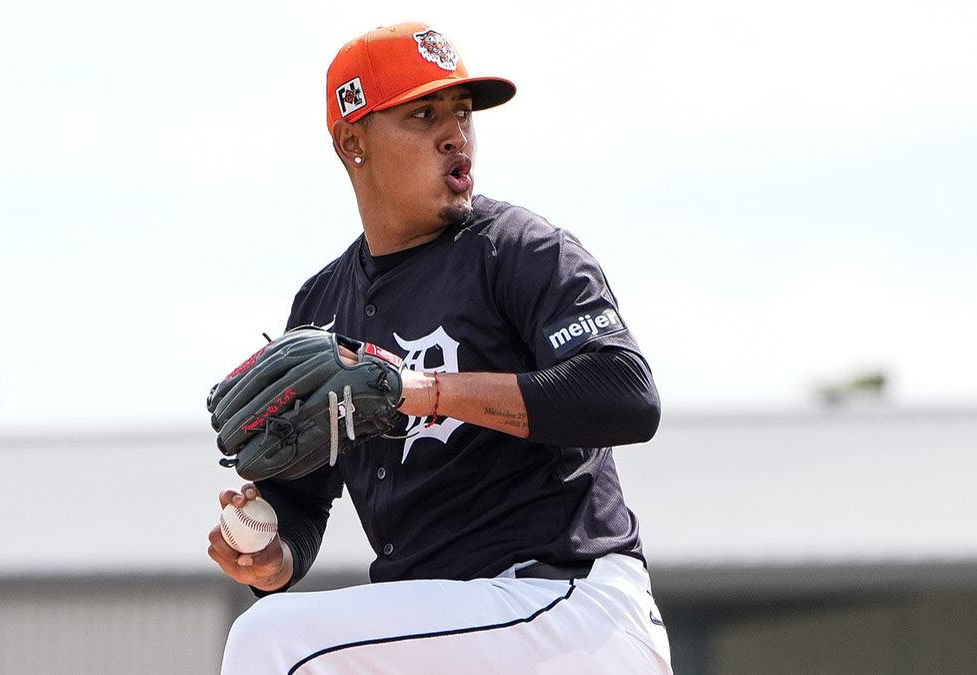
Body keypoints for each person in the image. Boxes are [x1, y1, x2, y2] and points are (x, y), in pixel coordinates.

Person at [207, 22, 673, 674]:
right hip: (450, 627)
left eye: (460, 112)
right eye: (423, 114)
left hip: (567, 606)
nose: (455, 134)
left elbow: (624, 395)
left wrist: (422, 392)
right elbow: (302, 501)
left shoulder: (519, 249)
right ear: (352, 140)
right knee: (284, 621)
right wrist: (270, 552)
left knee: (273, 642)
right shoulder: (322, 306)